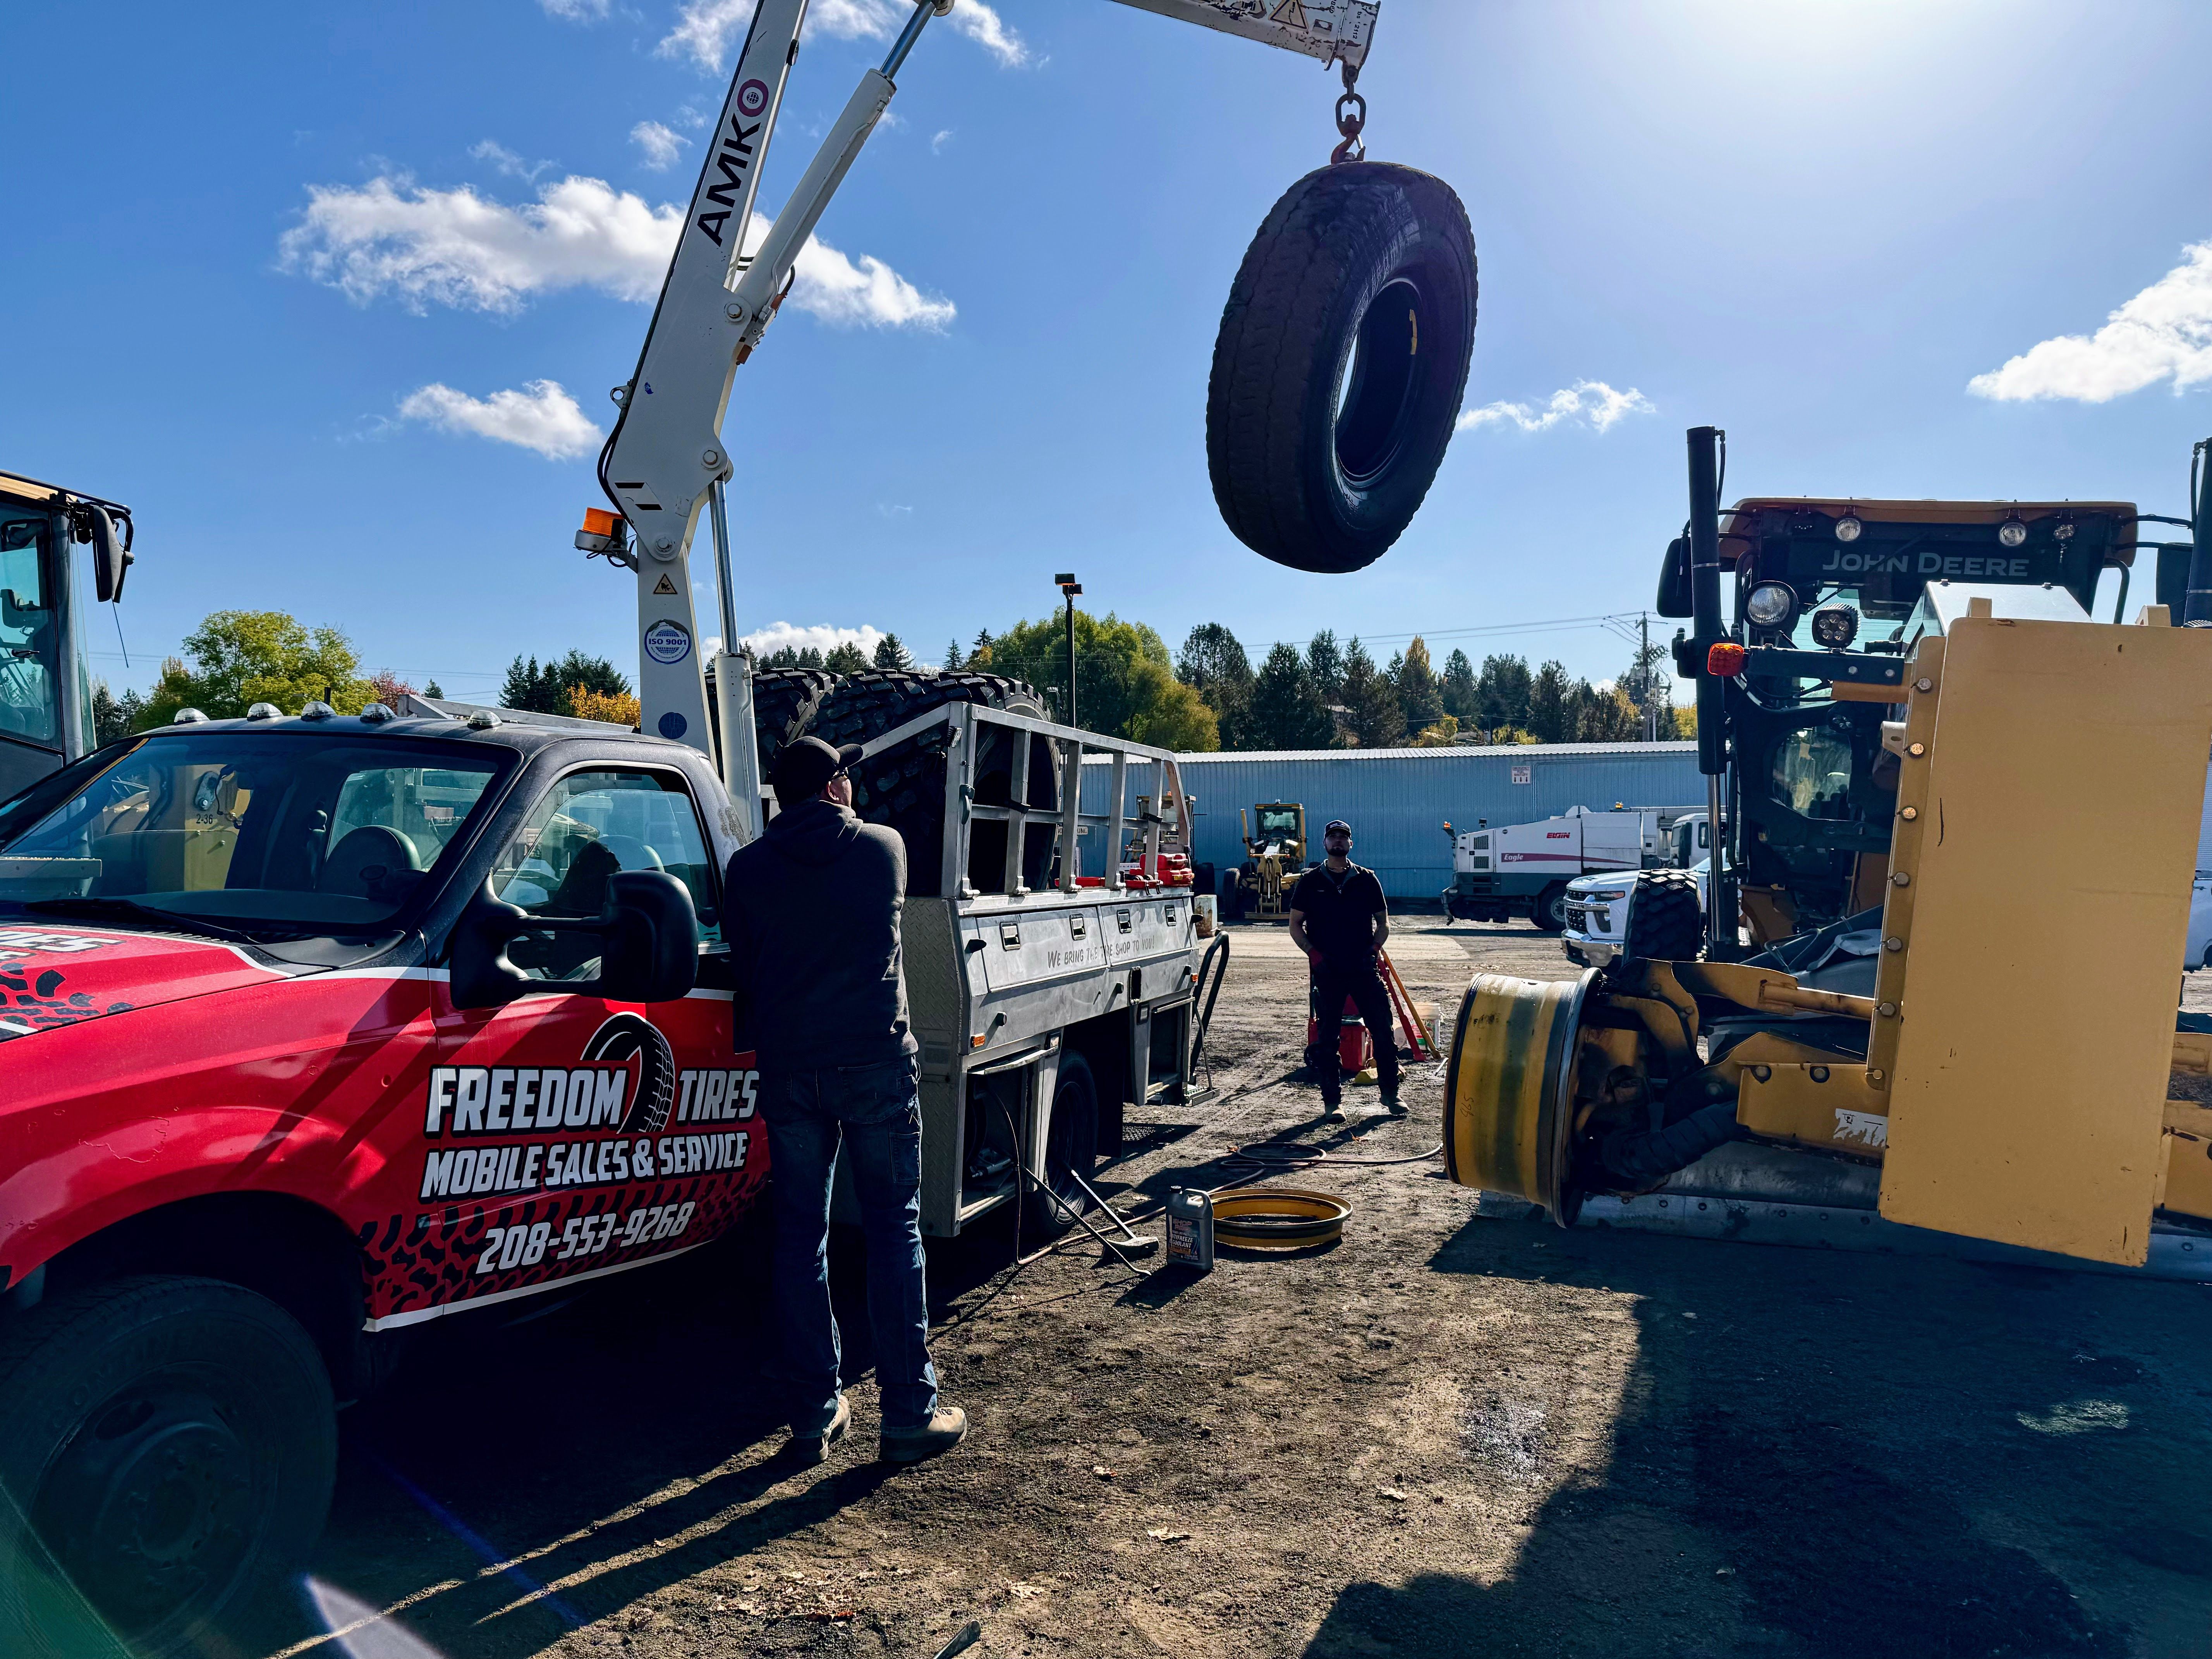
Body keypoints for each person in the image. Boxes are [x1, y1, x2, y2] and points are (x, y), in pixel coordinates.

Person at [723, 735, 969, 1467]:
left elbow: (748, 950)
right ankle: (907, 1413)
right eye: (848, 775)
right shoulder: (881, 848)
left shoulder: (746, 868)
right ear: (834, 787)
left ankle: (813, 1412)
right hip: (874, 1064)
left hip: (791, 1069)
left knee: (800, 1238)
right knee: (895, 1231)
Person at [1286, 818, 1401, 1123]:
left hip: (1364, 968)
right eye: (1333, 837)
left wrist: (1374, 950)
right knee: (1327, 1039)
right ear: (1325, 843)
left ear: (1351, 844)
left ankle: (1391, 1095)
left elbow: (1384, 921)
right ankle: (1332, 1103)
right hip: (1329, 971)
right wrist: (1313, 954)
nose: (1338, 841)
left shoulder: (1367, 879)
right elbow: (1295, 925)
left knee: (1383, 1034)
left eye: (1344, 837)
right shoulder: (1310, 881)